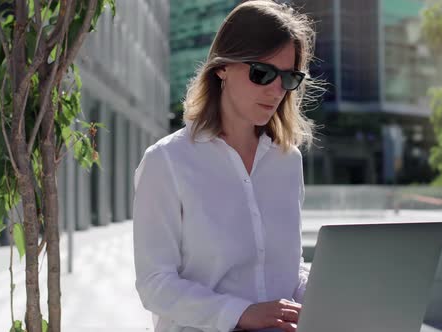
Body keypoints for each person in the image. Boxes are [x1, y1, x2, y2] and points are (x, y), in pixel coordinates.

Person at [133, 1, 322, 331]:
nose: (276, 91)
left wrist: (321, 296)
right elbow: (155, 284)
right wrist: (241, 313)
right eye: (261, 73)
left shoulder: (288, 161)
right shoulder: (166, 162)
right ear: (222, 67)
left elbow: (288, 269)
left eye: (288, 78)